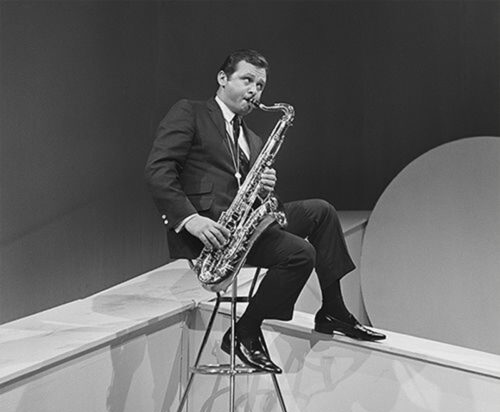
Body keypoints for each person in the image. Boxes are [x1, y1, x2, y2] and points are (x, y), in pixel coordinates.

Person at [145, 48, 385, 374]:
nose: (254, 91)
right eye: (247, 80)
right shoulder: (190, 112)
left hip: (247, 226)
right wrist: (190, 220)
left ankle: (333, 309)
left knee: (322, 211)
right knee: (300, 253)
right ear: (222, 78)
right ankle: (245, 330)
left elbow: (250, 194)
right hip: (213, 233)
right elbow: (158, 171)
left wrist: (263, 190)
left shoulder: (253, 138)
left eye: (260, 85)